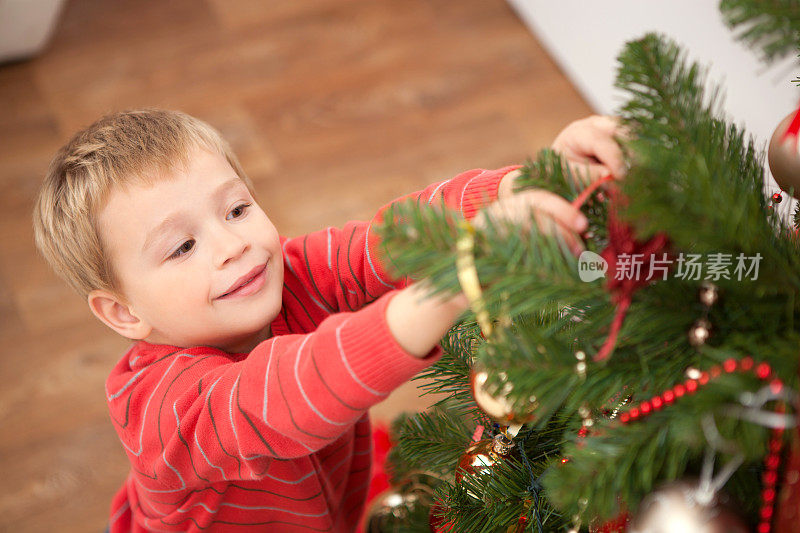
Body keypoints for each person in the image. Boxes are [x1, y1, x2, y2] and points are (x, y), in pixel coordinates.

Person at [32, 109, 626, 532]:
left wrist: (532, 183)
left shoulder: (284, 272)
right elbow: (287, 392)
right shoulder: (162, 409)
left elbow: (393, 240)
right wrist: (456, 282)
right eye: (182, 248)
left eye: (237, 208)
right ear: (123, 312)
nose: (233, 246)